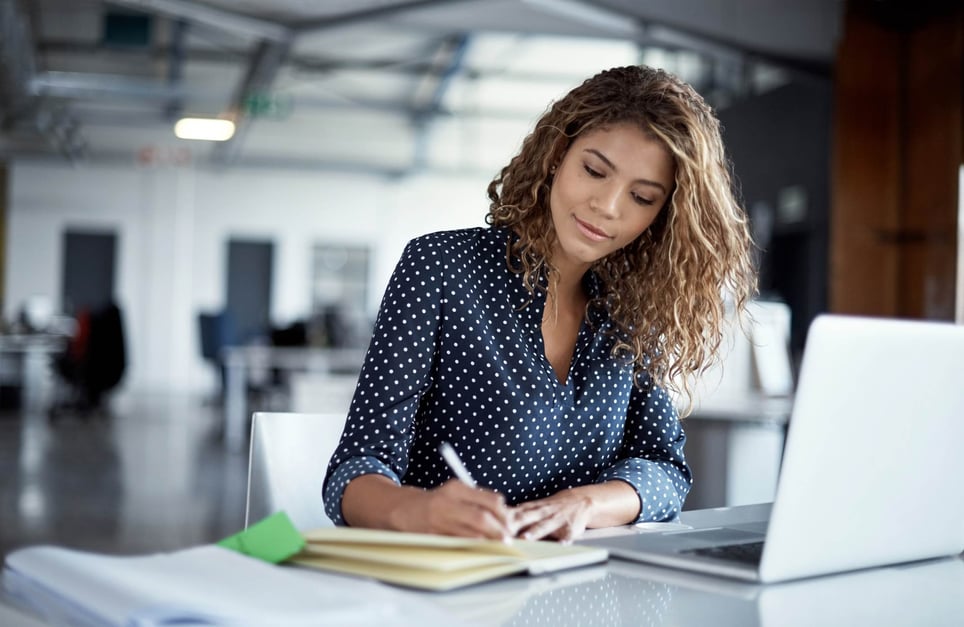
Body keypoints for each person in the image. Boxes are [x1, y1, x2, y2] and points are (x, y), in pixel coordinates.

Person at [323, 65, 757, 542]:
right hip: (446, 592)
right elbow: (354, 470)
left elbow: (665, 470)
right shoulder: (441, 268)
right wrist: (417, 512)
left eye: (641, 197)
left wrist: (587, 502)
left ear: (662, 216)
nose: (608, 206)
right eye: (594, 170)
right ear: (556, 154)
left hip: (581, 595)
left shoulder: (632, 312)